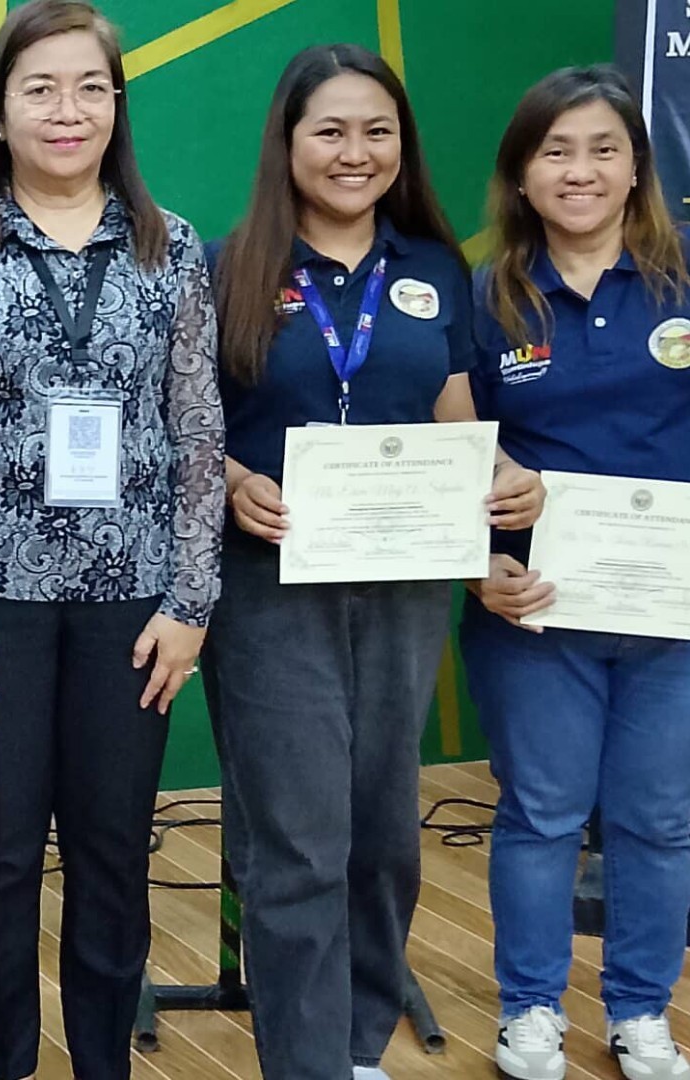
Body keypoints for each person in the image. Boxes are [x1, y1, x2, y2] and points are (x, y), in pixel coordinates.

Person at [0, 3, 223, 1077]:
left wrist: (192, 602)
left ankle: (101, 1064)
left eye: (90, 87)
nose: (66, 110)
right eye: (39, 88)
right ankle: (9, 1063)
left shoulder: (171, 248)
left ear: (117, 106)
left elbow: (198, 431)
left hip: (134, 601)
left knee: (114, 853)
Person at [203, 44, 543, 1080]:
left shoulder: (435, 270)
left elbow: (455, 421)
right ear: (287, 142)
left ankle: (355, 1047)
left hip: (403, 585)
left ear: (402, 144)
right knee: (300, 840)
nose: (356, 152)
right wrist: (232, 480)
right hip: (268, 589)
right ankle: (305, 1061)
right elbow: (183, 426)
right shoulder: (226, 267)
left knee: (386, 834)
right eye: (331, 131)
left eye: (377, 131)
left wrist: (500, 489)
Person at [464, 66, 690, 1080]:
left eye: (604, 149)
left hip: (673, 616)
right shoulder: (485, 298)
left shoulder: (684, 279)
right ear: (521, 173)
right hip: (533, 611)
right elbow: (452, 453)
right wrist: (481, 569)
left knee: (661, 821)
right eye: (555, 151)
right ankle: (531, 1010)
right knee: (542, 815)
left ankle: (642, 1011)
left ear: (637, 167)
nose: (580, 170)